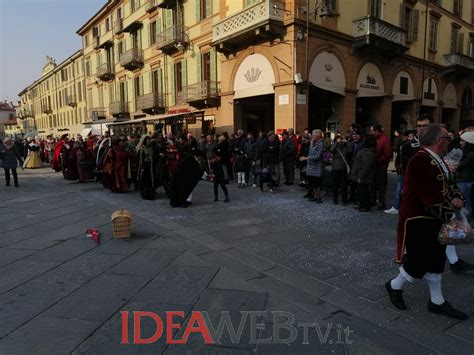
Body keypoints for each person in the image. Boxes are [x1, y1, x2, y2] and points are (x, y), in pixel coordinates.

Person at [386, 124, 467, 320]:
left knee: (436, 260)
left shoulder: (437, 159)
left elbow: (450, 185)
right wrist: (452, 214)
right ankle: (394, 286)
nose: (451, 141)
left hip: (434, 219)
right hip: (419, 219)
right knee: (419, 261)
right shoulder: (420, 160)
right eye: (447, 137)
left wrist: (459, 198)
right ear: (439, 141)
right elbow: (430, 197)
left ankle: (436, 301)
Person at [350, 135, 376, 212]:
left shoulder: (368, 152)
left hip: (363, 176)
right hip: (361, 174)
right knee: (362, 191)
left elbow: (366, 167)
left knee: (364, 191)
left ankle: (365, 206)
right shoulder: (367, 151)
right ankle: (362, 205)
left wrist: (360, 177)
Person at [370, 124, 392, 209]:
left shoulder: (385, 139)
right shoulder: (376, 138)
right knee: (372, 184)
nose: (371, 133)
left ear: (377, 130)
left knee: (381, 185)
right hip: (374, 166)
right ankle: (373, 200)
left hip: (381, 166)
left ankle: (381, 203)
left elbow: (388, 154)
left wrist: (378, 160)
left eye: (372, 131)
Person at [302, 129, 324, 203]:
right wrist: (306, 158)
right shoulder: (312, 142)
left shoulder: (321, 144)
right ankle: (314, 196)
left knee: (317, 183)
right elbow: (310, 153)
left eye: (313, 135)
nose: (312, 136)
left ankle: (318, 197)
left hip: (317, 167)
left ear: (318, 136)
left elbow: (318, 156)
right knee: (312, 183)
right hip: (311, 166)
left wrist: (307, 158)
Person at [330, 135, 352, 205]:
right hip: (335, 168)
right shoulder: (335, 147)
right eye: (339, 139)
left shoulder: (346, 147)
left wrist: (347, 142)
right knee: (335, 185)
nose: (340, 141)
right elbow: (332, 150)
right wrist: (336, 143)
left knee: (344, 185)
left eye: (341, 139)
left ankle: (344, 200)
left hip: (343, 168)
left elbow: (350, 152)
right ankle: (335, 199)